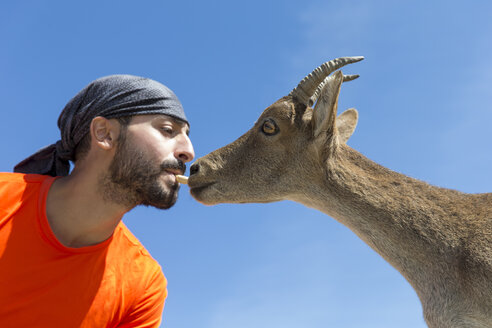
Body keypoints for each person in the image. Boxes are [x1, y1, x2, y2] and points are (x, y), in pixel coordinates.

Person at [0, 75, 195, 327]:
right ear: (105, 134)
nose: (188, 151)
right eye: (168, 130)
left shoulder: (144, 285)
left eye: (187, 135)